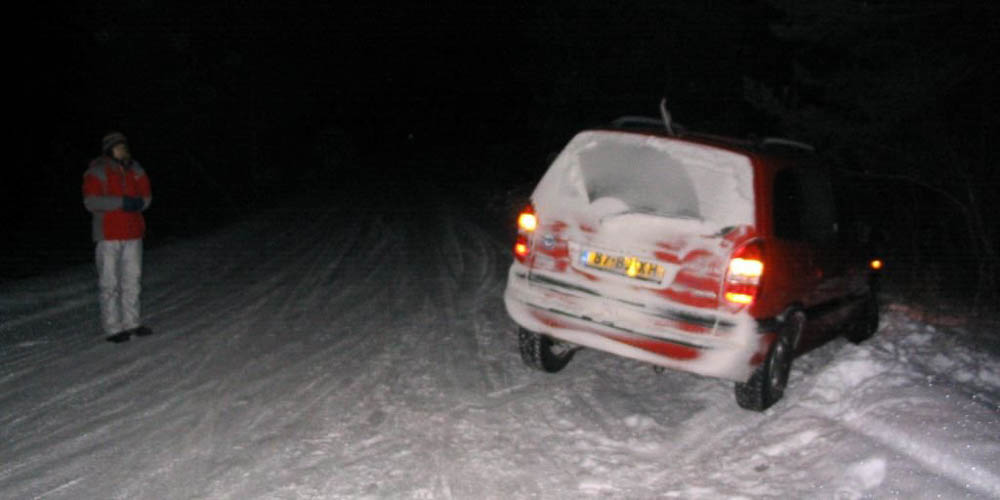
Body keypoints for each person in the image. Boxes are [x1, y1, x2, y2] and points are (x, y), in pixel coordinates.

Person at [82, 131, 153, 343]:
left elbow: (147, 195)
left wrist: (140, 203)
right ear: (109, 150)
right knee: (109, 282)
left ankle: (132, 322)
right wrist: (121, 202)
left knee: (132, 279)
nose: (123, 150)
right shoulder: (98, 170)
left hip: (133, 232)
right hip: (109, 234)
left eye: (124, 146)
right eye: (118, 147)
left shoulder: (135, 169)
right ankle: (113, 328)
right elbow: (91, 202)